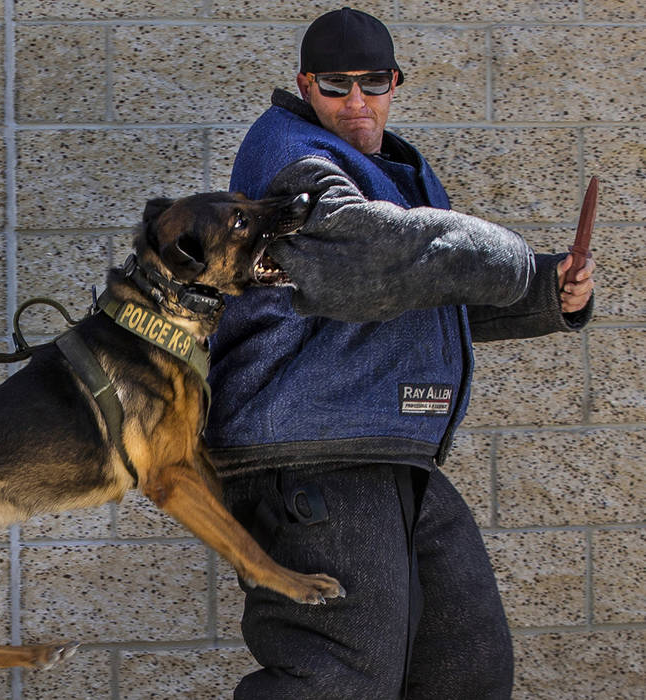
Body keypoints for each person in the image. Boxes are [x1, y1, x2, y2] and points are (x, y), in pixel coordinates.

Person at [205, 7, 595, 699]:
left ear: (394, 83)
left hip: (388, 449)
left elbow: (418, 294)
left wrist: (545, 290)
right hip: (311, 457)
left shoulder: (390, 169)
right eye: (335, 84)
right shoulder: (290, 155)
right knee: (337, 677)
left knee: (463, 666)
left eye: (373, 82)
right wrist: (506, 258)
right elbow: (364, 253)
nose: (356, 101)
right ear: (305, 84)